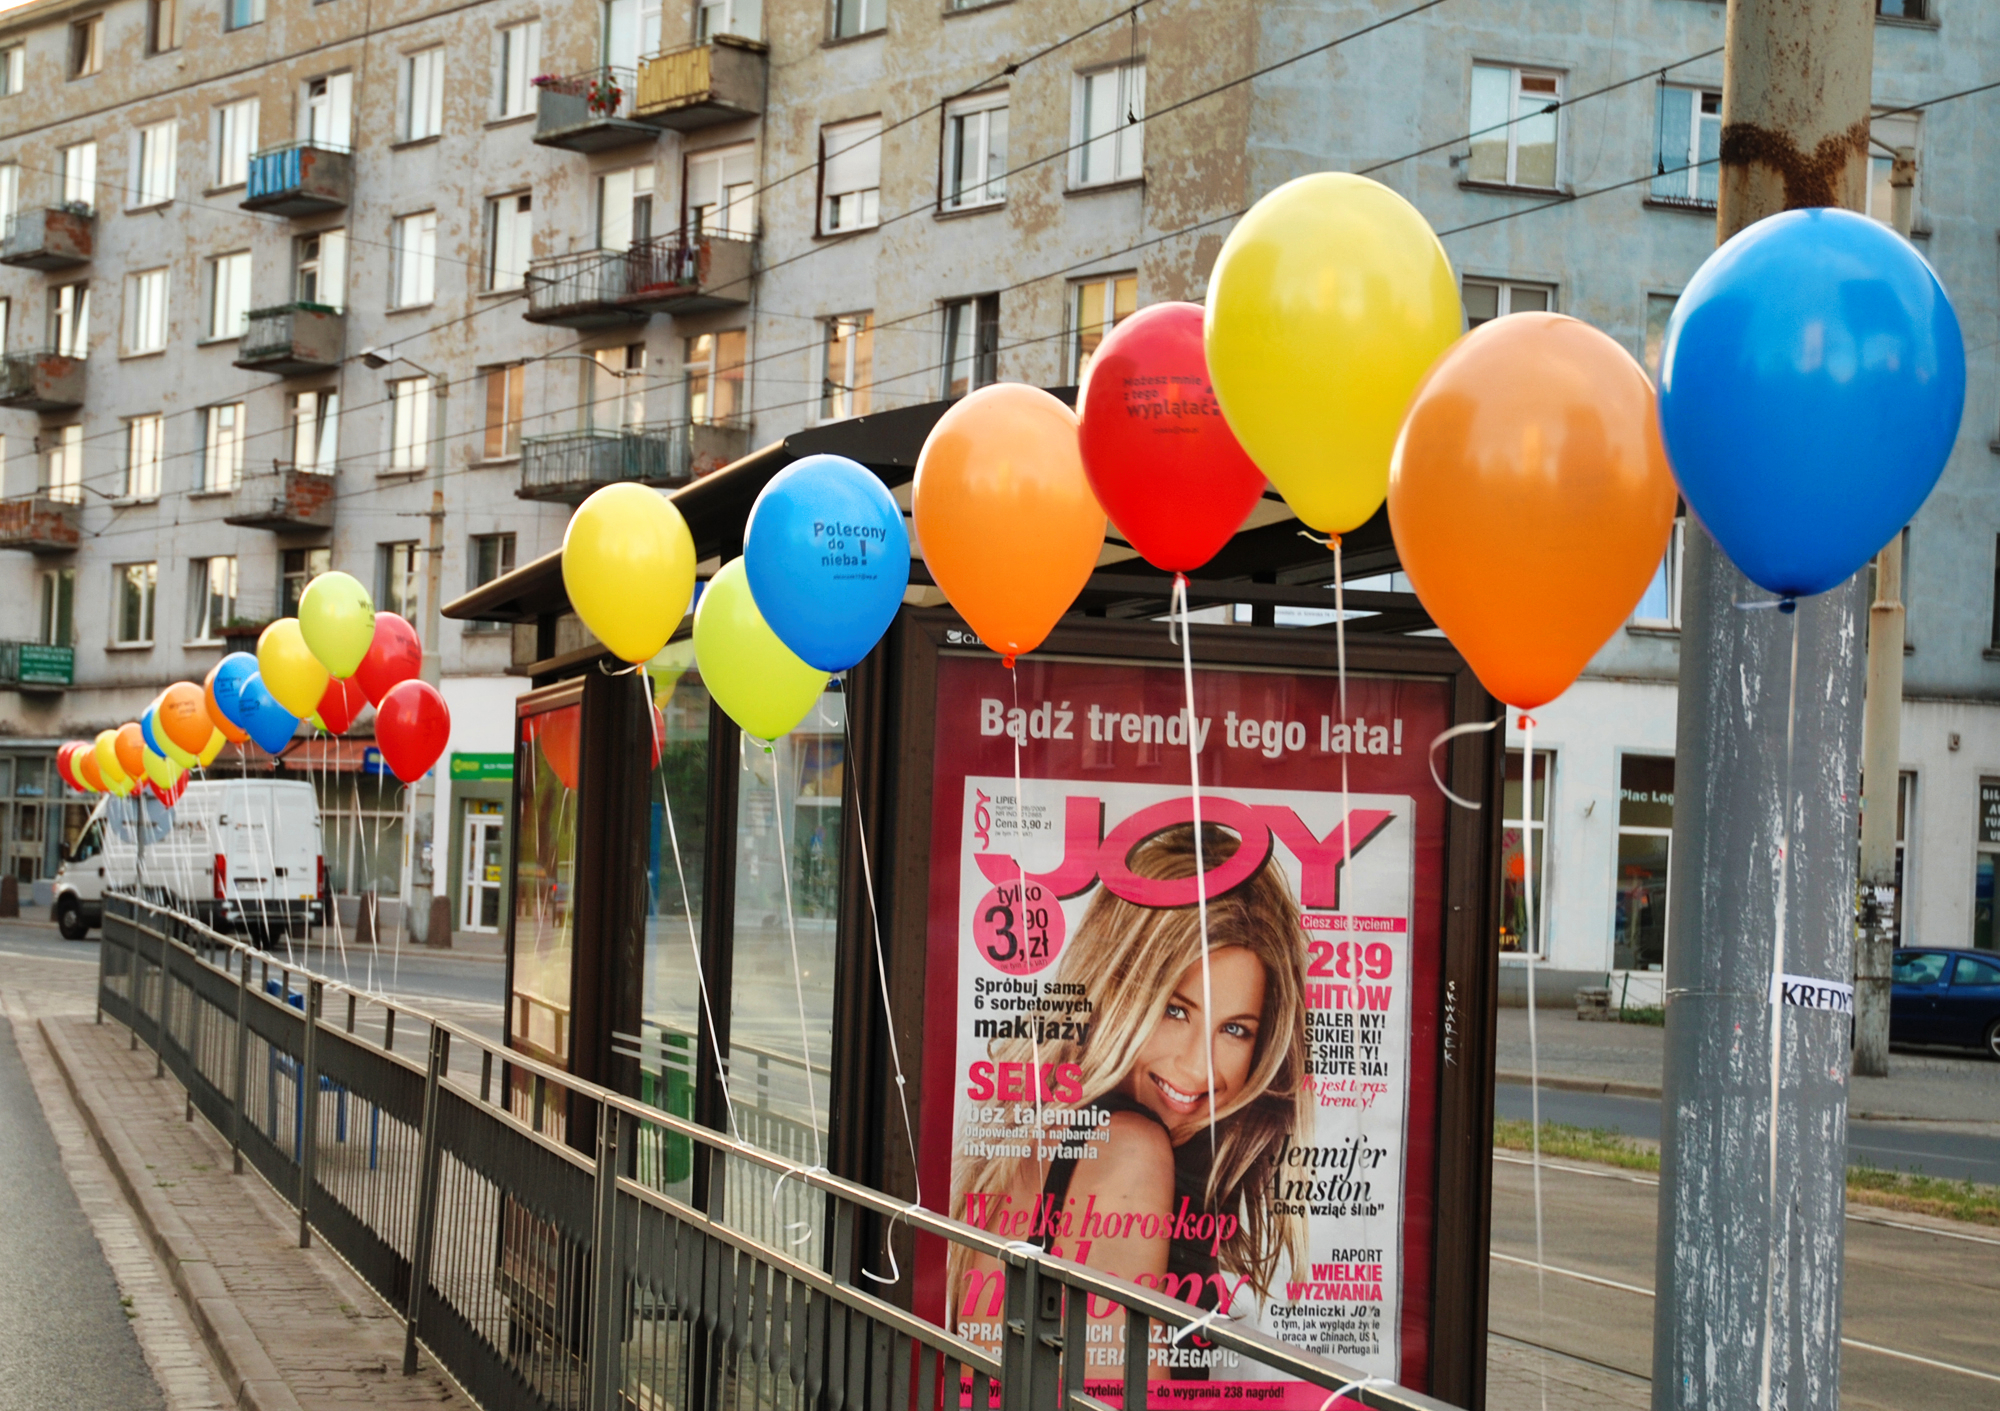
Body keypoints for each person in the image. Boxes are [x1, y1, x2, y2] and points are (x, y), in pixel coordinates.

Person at [949, 822, 1312, 1379]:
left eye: (1235, 1030)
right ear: (1115, 988)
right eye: (1175, 1010)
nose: (1197, 1067)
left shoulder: (1053, 1130)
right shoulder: (1131, 1150)